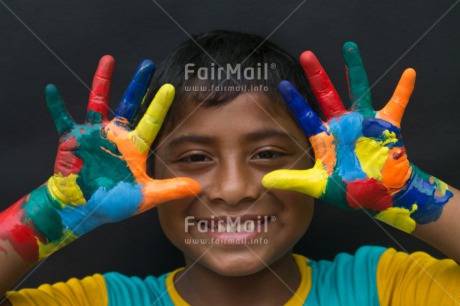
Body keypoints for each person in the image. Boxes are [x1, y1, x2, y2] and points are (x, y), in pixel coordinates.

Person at [0, 30, 459, 305]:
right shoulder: (103, 302)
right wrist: (50, 212)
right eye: (196, 158)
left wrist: (405, 191)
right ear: (148, 171)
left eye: (267, 154)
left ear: (322, 163)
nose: (235, 189)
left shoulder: (385, 288)